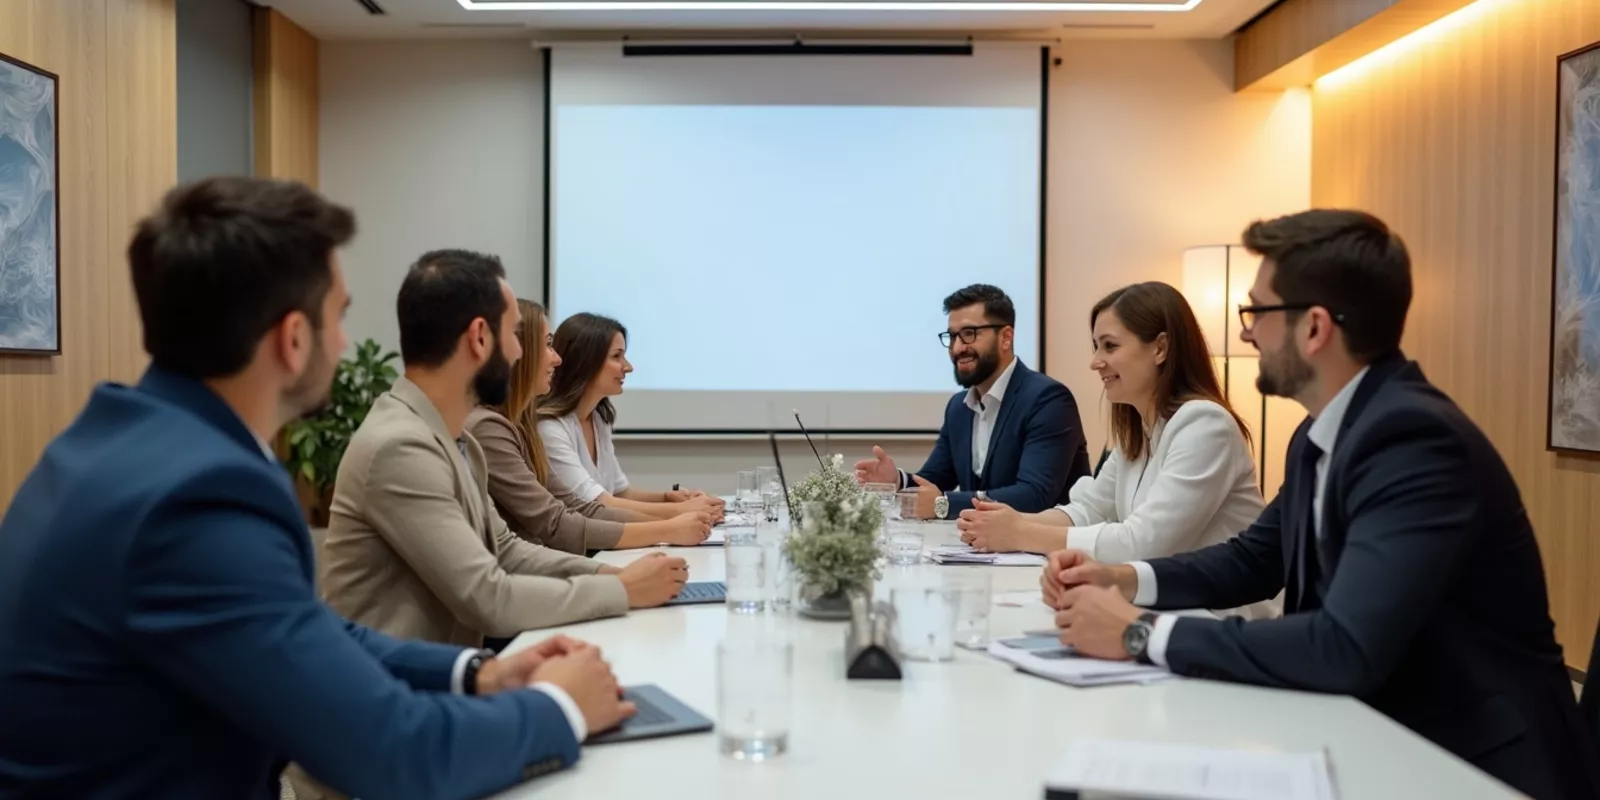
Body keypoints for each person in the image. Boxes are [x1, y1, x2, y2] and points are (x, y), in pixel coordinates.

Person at [0, 178, 634, 800]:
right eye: (339, 318)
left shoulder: (114, 445)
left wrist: (478, 672)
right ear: (293, 338)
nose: (345, 343)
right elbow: (393, 753)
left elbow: (306, 630)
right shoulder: (200, 499)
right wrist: (560, 707)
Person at [1044, 210, 1600, 800]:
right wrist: (1122, 578)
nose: (1245, 334)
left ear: (1313, 329)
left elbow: (1344, 646)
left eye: (1255, 313)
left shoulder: (1412, 439)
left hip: (1472, 765)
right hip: (1380, 734)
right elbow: (1253, 560)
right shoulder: (1321, 434)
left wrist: (1141, 634)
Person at [320, 250, 690, 654]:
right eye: (516, 335)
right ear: (480, 338)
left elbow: (507, 551)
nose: (521, 353)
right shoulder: (400, 447)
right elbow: (487, 597)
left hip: (445, 675)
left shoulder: (455, 439)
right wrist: (620, 589)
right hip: (397, 694)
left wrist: (611, 573)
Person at [958, 282, 1276, 619]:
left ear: (1160, 348)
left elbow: (1144, 543)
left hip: (1223, 622)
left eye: (1109, 346)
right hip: (1167, 610)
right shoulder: (1137, 431)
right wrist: (1007, 523)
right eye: (1096, 347)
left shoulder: (1206, 425)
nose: (1096, 362)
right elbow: (1089, 509)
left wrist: (1022, 532)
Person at [469, 298, 713, 553]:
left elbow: (580, 506)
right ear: (518, 351)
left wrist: (674, 519)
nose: (557, 359)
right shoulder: (494, 428)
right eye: (548, 345)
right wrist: (669, 525)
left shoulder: (524, 424)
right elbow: (556, 524)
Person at [854, 284, 1091, 518]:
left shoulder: (1048, 400)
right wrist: (896, 481)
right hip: (986, 549)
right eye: (953, 336)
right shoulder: (959, 407)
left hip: (1048, 550)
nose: (957, 348)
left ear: (1006, 338)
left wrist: (943, 504)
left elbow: (1034, 496)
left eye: (969, 334)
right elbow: (934, 480)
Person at [538, 312, 722, 519]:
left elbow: (620, 492)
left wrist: (668, 498)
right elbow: (598, 504)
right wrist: (681, 512)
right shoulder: (550, 428)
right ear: (586, 361)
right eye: (617, 356)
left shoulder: (598, 418)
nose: (628, 367)